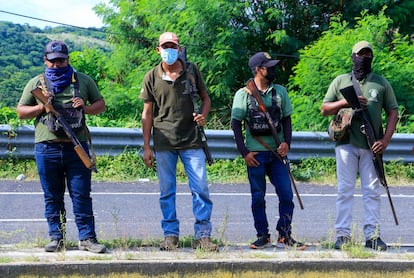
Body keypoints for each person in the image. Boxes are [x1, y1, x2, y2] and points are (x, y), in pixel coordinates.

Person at [17, 40, 106, 253]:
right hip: (47, 148)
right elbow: (21, 111)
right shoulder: (36, 84)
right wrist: (42, 106)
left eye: (61, 60)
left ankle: (87, 238)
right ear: (45, 61)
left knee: (81, 194)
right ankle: (56, 238)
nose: (57, 65)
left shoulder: (83, 81)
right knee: (52, 195)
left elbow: (100, 105)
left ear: (68, 59)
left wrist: (85, 107)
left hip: (77, 147)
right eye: (53, 61)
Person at [140, 32, 218, 252]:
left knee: (200, 188)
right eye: (165, 46)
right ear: (158, 50)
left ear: (179, 47)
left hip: (192, 140)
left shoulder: (192, 72)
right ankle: (170, 235)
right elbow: (147, 114)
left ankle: (203, 235)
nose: (169, 50)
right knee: (167, 190)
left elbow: (206, 98)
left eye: (172, 46)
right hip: (164, 141)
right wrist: (147, 146)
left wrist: (203, 116)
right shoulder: (151, 77)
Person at [321, 41, 398, 251]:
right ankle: (342, 235)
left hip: (372, 145)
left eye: (368, 55)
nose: (364, 58)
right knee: (344, 190)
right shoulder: (340, 81)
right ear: (353, 56)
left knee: (372, 190)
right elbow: (325, 108)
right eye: (360, 54)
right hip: (346, 143)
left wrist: (385, 141)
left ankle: (372, 236)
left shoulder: (381, 83)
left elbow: (393, 112)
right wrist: (345, 103)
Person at [231, 52, 304, 249]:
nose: (272, 70)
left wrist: (286, 143)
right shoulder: (242, 94)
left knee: (286, 194)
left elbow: (287, 120)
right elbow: (236, 124)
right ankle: (262, 234)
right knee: (257, 197)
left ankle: (285, 233)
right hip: (255, 155)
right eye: (268, 66)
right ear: (257, 69)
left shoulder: (280, 91)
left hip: (277, 154)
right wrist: (244, 152)